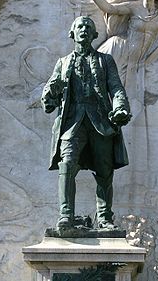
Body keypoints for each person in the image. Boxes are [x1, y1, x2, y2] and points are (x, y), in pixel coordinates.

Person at [41, 16, 131, 229]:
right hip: (72, 124)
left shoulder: (105, 61)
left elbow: (116, 88)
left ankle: (105, 218)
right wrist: (51, 92)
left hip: (100, 122)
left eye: (88, 27)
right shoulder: (62, 63)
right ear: (72, 33)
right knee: (68, 164)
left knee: (104, 169)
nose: (84, 29)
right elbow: (49, 93)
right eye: (80, 26)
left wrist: (120, 108)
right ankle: (66, 216)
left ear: (94, 35)